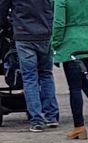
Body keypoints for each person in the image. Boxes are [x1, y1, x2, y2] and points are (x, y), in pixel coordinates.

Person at [51, 0, 88, 141]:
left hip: (72, 44)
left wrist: (55, 44)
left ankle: (79, 127)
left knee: (75, 88)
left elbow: (59, 24)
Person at [0, 0, 59, 131]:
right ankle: (51, 116)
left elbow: (2, 10)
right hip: (45, 32)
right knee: (46, 74)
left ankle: (37, 119)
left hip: (24, 34)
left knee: (29, 77)